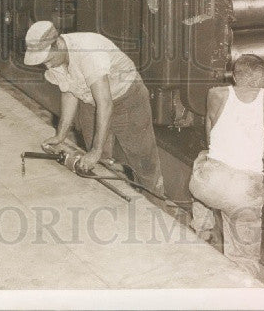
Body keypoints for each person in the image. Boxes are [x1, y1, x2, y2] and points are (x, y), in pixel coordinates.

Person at [25, 21, 165, 197]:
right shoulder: (56, 60)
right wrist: (61, 135)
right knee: (97, 164)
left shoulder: (89, 52)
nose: (48, 66)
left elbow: (105, 104)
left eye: (49, 59)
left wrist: (96, 150)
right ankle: (112, 202)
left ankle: (157, 207)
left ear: (58, 44)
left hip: (127, 98)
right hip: (91, 100)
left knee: (144, 163)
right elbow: (69, 93)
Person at [189, 54, 264, 272]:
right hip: (244, 192)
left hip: (207, 184)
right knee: (244, 260)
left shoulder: (215, 94)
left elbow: (212, 140)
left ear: (235, 77)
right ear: (259, 79)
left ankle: (201, 230)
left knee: (204, 158)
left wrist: (252, 141)